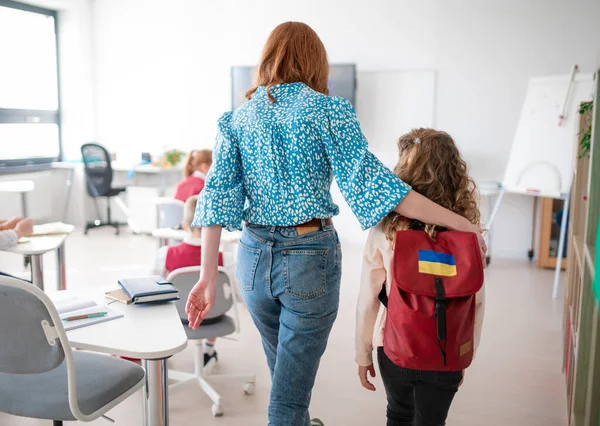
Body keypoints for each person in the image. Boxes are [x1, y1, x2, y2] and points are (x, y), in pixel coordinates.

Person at [186, 22, 486, 426]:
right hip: (309, 259)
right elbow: (378, 187)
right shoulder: (328, 111)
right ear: (316, 62)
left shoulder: (237, 120)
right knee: (288, 400)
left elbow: (216, 196)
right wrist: (461, 224)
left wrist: (207, 275)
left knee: (286, 376)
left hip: (253, 260)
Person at [355, 128, 485, 426]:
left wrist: (362, 353)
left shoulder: (385, 229)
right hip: (448, 348)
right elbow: (476, 301)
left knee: (398, 414)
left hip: (394, 345)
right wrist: (464, 353)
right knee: (432, 421)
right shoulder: (468, 231)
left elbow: (367, 301)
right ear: (455, 172)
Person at [154, 195, 223, 366]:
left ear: (184, 226)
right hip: (214, 317)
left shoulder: (166, 254)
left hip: (179, 318)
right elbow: (236, 296)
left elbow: (154, 289)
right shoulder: (223, 258)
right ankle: (209, 349)